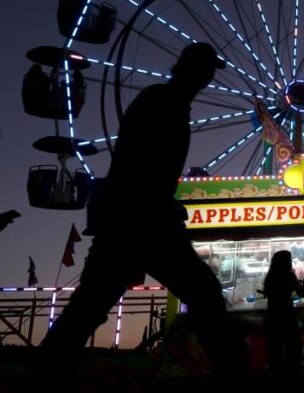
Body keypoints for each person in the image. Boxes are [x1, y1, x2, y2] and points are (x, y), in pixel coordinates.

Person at [36, 42, 248, 382]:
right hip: (142, 220)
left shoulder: (170, 103)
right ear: (189, 69)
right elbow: (138, 162)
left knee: (90, 304)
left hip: (135, 218)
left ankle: (47, 370)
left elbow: (139, 164)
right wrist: (158, 200)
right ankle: (235, 374)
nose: (208, 77)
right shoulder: (161, 102)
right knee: (203, 294)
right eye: (205, 69)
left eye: (210, 71)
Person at [262, 250, 304, 378]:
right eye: (289, 259)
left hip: (272, 317)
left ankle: (276, 378)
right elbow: (301, 293)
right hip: (287, 317)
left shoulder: (270, 276)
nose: (291, 262)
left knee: (275, 352)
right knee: (293, 350)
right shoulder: (289, 275)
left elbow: (267, 294)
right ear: (286, 262)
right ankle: (293, 378)